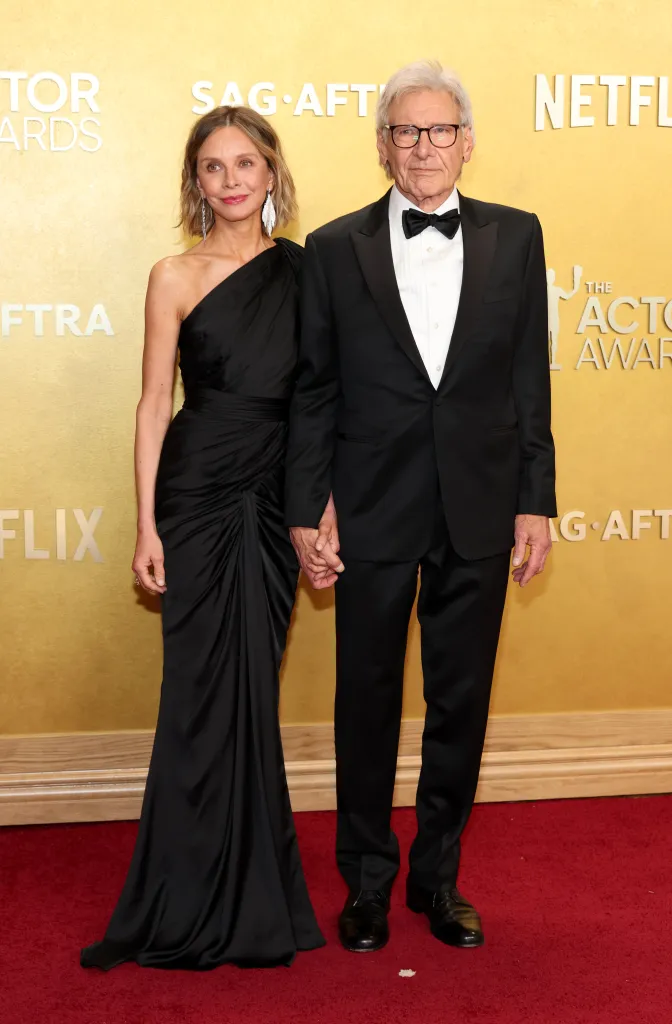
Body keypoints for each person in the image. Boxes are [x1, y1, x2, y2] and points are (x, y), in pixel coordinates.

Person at [286, 60, 556, 953]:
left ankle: (437, 880)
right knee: (364, 697)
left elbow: (527, 380)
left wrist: (534, 500)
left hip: (479, 505)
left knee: (460, 703)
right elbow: (314, 391)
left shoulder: (517, 237)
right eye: (407, 131)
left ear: (467, 142)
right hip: (368, 506)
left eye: (441, 130)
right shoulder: (332, 249)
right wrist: (305, 508)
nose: (425, 146)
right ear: (382, 146)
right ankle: (366, 881)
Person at [81, 105, 324, 970]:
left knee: (253, 691)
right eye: (213, 167)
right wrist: (145, 521)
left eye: (245, 164)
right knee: (194, 696)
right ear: (196, 181)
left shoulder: (309, 272)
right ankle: (181, 897)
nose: (230, 180)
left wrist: (317, 508)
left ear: (270, 174)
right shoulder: (173, 274)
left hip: (269, 498)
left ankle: (256, 893)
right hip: (194, 493)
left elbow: (319, 407)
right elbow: (154, 403)